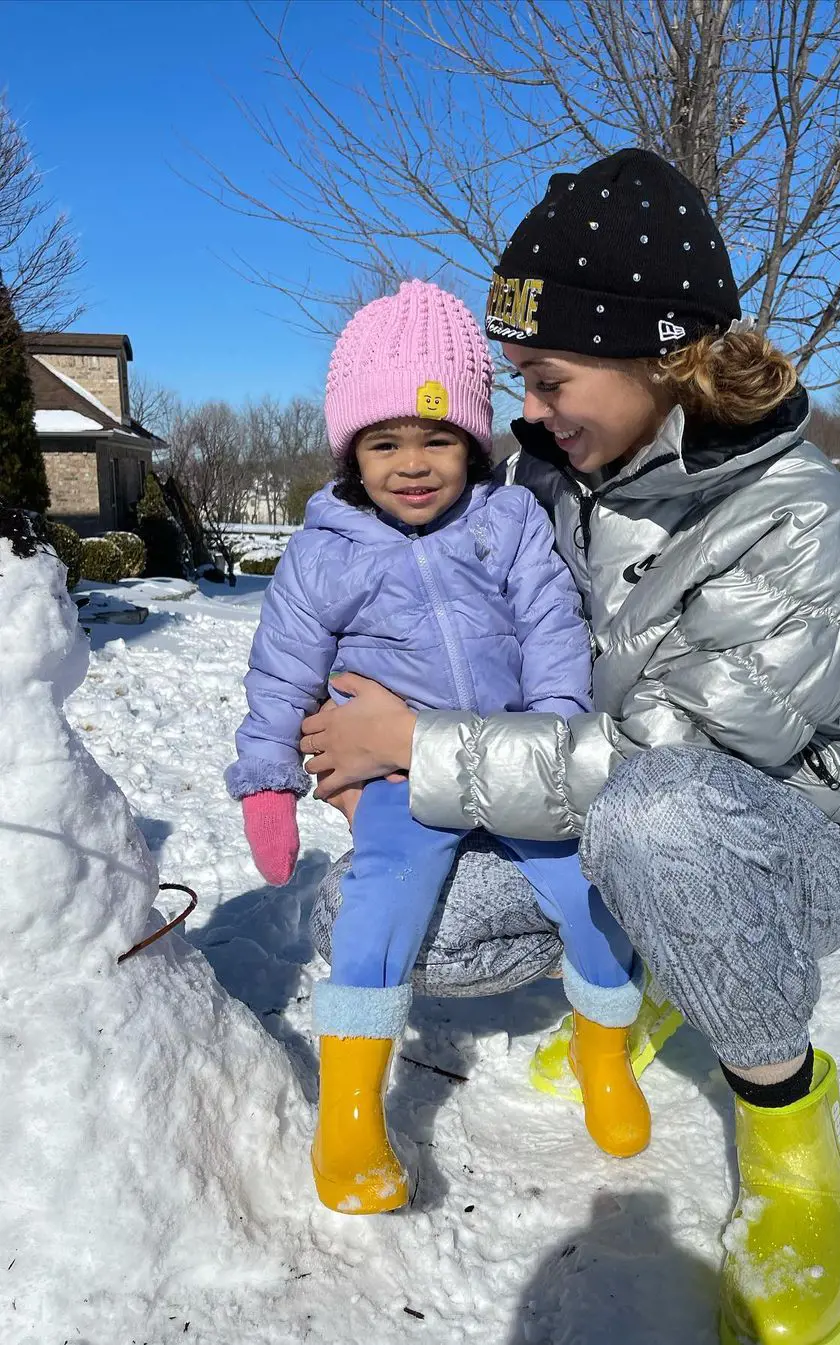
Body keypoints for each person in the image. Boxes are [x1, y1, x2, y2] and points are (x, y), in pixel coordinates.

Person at [301, 152, 840, 1344]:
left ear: (659, 357)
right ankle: (656, 971)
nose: (526, 407)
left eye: (547, 375)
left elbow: (647, 763)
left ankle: (791, 1142)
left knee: (660, 819)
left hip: (777, 851)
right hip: (607, 827)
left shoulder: (796, 515)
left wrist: (416, 742)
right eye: (517, 379)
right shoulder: (544, 478)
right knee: (366, 916)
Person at [225, 280, 651, 1217]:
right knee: (378, 904)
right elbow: (281, 666)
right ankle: (348, 1113)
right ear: (351, 451)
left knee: (591, 887)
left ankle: (604, 1050)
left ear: (473, 440)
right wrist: (267, 778)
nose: (413, 465)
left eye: (437, 439)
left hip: (509, 758)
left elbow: (550, 625)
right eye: (385, 443)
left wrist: (554, 730)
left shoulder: (505, 523)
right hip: (399, 775)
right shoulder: (324, 549)